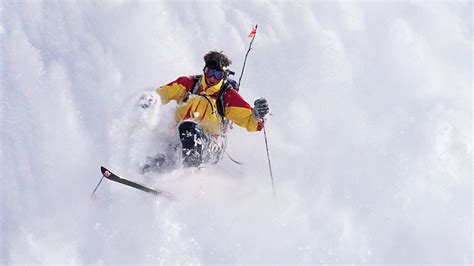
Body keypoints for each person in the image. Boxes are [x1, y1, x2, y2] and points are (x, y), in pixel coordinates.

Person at [139, 50, 269, 171]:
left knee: (189, 127)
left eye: (217, 74)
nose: (212, 78)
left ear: (223, 76)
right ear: (204, 70)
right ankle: (150, 177)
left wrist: (257, 116)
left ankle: (191, 174)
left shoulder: (227, 95)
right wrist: (150, 99)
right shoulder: (188, 84)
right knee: (159, 161)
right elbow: (162, 94)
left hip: (209, 145)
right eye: (209, 72)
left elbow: (250, 121)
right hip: (179, 139)